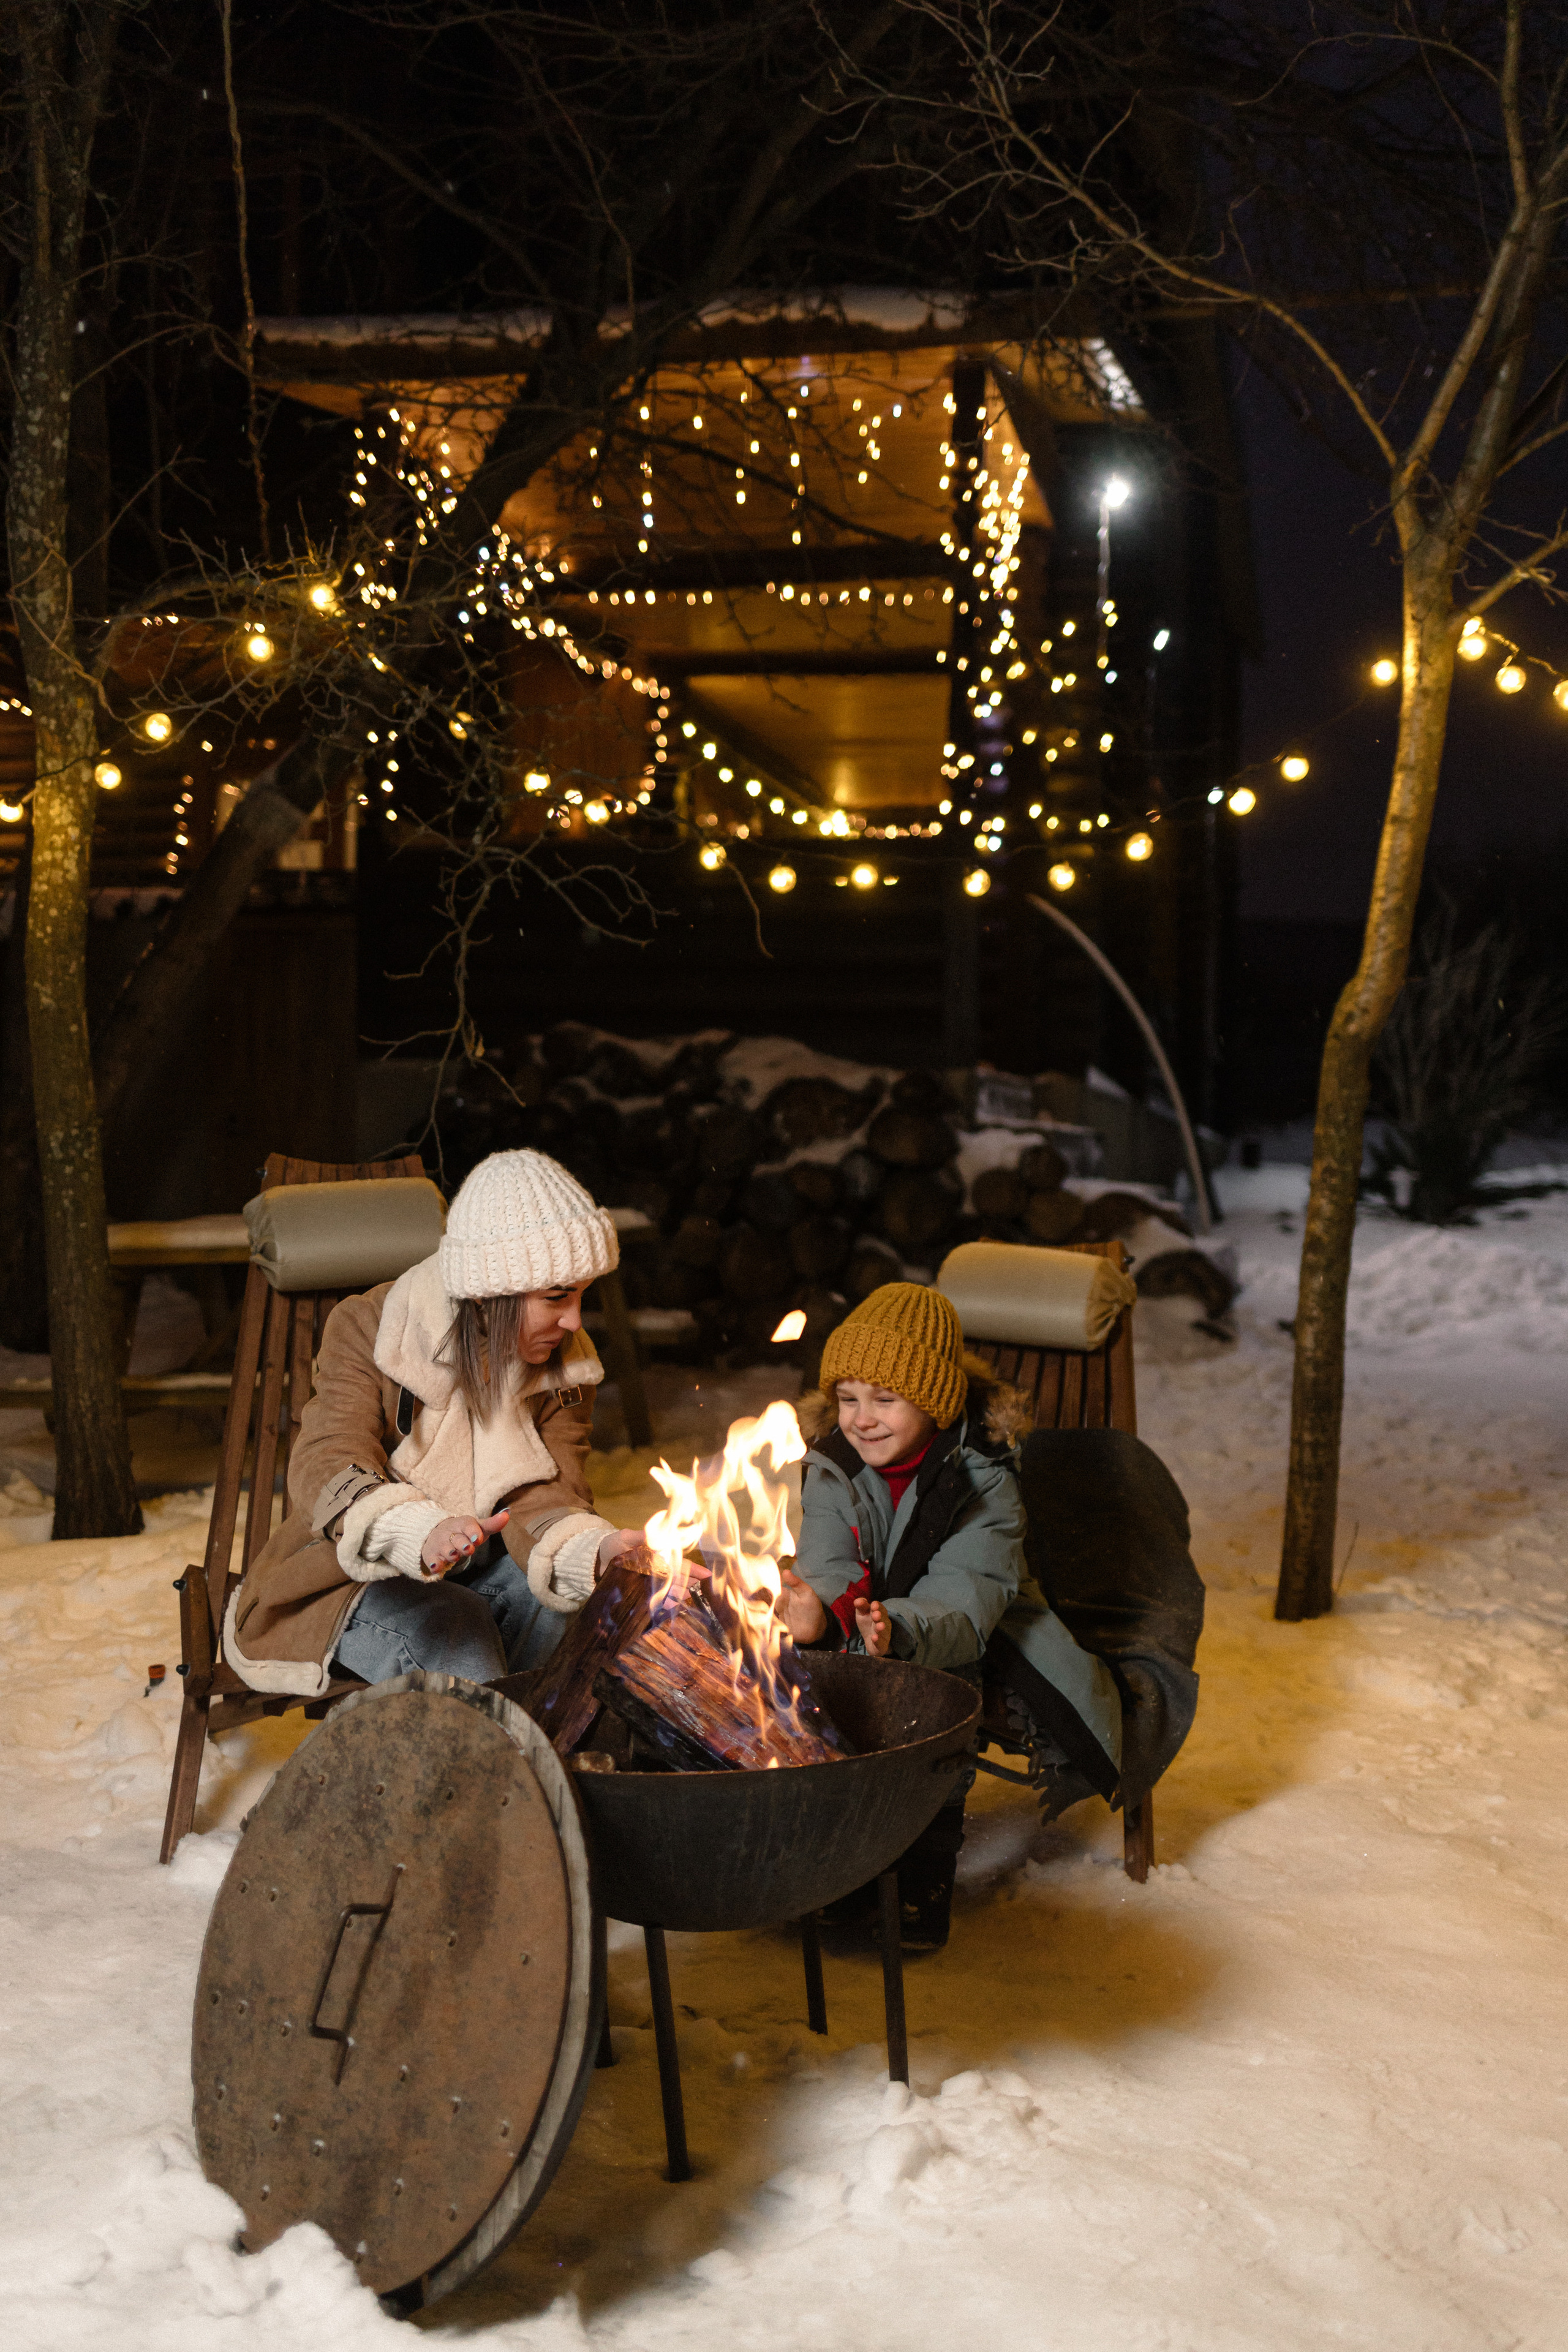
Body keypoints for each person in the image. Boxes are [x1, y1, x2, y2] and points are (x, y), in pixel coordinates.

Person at [778, 1281, 1121, 1950]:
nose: (861, 1419)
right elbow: (829, 1558)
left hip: (969, 1629)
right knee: (818, 1680)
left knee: (943, 1690)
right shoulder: (832, 1464)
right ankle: (847, 1865)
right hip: (870, 1625)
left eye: (885, 1399)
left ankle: (922, 1876)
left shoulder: (982, 1475)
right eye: (847, 1398)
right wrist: (819, 1611)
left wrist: (899, 1630)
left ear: (933, 1401)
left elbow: (968, 1593)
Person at [225, 1150, 641, 1700]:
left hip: (483, 1573)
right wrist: (414, 1529)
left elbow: (548, 1492)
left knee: (579, 1619)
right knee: (453, 1629)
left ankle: (535, 1742)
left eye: (583, 1294)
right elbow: (327, 1458)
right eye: (557, 1298)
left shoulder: (565, 1363)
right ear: (490, 1291)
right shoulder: (368, 1328)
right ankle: (488, 1747)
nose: (574, 1321)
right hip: (351, 1582)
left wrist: (596, 1550)